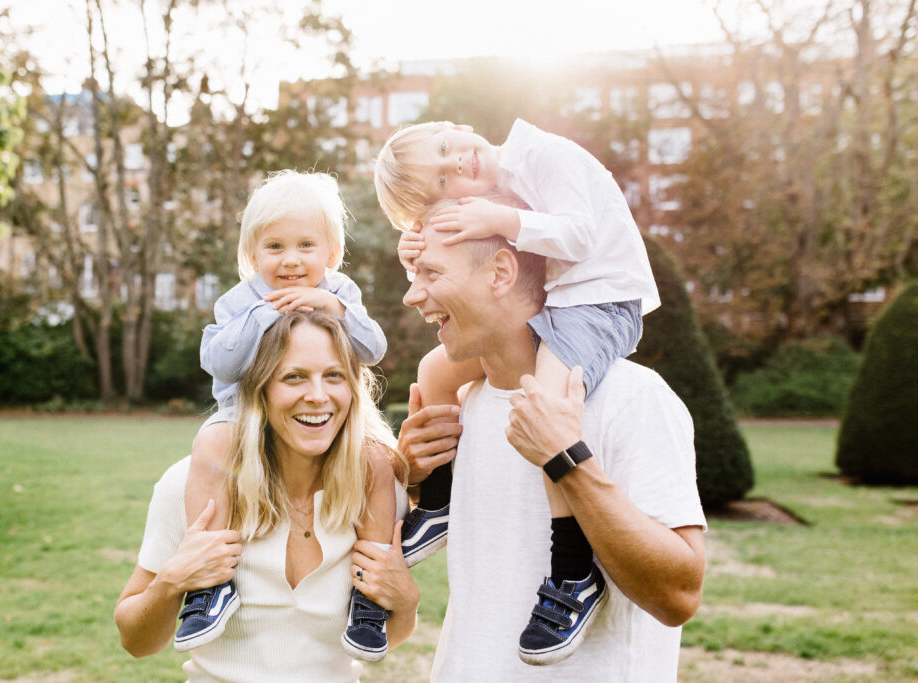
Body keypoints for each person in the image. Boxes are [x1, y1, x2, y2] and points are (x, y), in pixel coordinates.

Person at [373, 119, 660, 663]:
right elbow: (467, 256)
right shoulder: (492, 193)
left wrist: (497, 217)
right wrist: (415, 244)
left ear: (457, 127)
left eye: (444, 147)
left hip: (600, 301)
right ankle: (436, 504)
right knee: (435, 372)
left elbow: (579, 236)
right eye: (440, 181)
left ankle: (574, 570)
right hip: (558, 302)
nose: (455, 163)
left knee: (545, 408)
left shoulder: (545, 156)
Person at [396, 223, 706, 680]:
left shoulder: (633, 397)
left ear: (500, 273)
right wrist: (420, 482)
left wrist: (566, 459)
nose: (412, 295)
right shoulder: (467, 405)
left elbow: (678, 596)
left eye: (432, 273)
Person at [115, 311, 420, 682]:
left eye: (334, 376)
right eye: (294, 377)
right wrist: (170, 582)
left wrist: (406, 604)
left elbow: (385, 639)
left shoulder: (376, 493)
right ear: (261, 390)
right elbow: (135, 641)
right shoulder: (189, 485)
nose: (318, 396)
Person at [181, 171, 396, 659]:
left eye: (305, 245)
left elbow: (374, 348)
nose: (291, 260)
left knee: (380, 462)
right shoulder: (239, 302)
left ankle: (368, 595)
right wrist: (263, 315)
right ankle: (210, 583)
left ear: (331, 254)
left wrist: (336, 308)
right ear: (253, 256)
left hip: (327, 421)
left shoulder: (340, 292)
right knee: (211, 442)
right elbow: (218, 361)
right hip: (245, 417)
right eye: (275, 247)